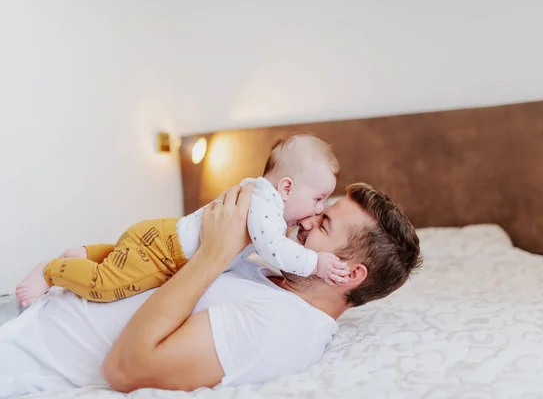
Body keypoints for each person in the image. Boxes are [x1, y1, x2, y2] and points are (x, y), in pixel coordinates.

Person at [0, 182, 422, 398]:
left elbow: (126, 369)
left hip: (19, 354)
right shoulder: (268, 270)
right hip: (25, 309)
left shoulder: (285, 327)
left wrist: (213, 255)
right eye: (317, 210)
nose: (305, 220)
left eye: (323, 225)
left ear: (348, 275)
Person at [15, 135, 349, 307]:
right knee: (107, 285)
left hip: (162, 235)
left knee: (122, 256)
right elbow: (275, 249)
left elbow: (275, 240)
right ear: (287, 187)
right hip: (166, 252)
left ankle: (87, 254)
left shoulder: (264, 199)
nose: (319, 209)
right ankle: (52, 270)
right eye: (319, 198)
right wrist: (316, 262)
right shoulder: (263, 204)